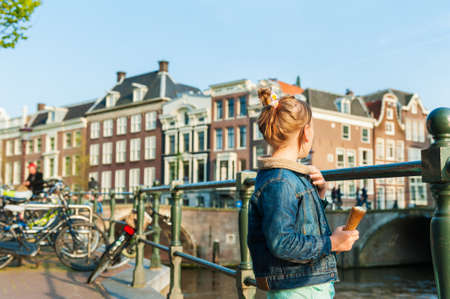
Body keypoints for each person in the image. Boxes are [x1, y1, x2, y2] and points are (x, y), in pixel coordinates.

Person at [247, 88, 359, 298]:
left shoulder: (287, 177)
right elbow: (283, 242)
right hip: (298, 288)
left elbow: (300, 220)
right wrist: (332, 243)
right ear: (306, 132)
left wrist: (320, 195)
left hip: (305, 284)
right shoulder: (280, 181)